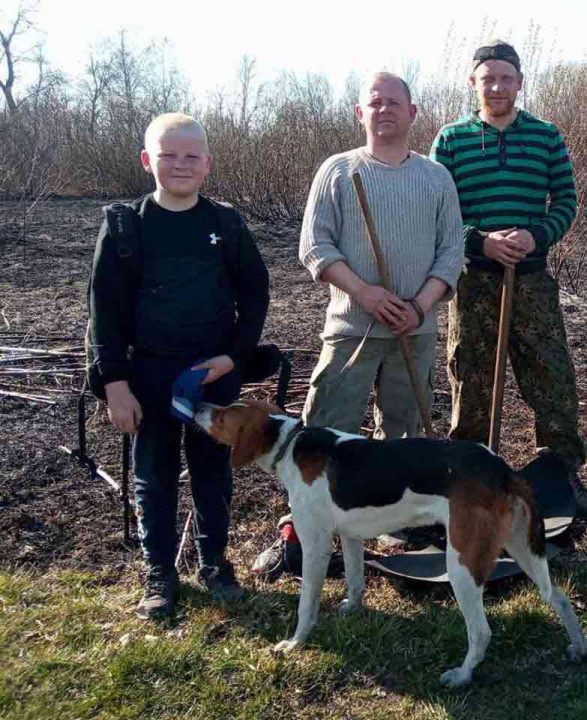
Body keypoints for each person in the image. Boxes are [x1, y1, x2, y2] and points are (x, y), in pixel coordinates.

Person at [253, 72, 463, 575]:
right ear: (360, 113)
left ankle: (398, 522)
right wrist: (367, 293)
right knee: (324, 431)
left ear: (413, 113)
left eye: (395, 102)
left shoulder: (435, 177)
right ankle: (301, 532)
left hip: (415, 330)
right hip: (352, 328)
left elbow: (452, 250)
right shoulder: (339, 171)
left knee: (405, 434)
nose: (385, 109)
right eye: (375, 102)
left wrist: (420, 305)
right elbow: (315, 247)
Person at [88, 113, 270, 619]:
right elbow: (103, 309)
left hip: (213, 374)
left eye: (192, 156)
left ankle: (214, 564)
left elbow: (255, 293)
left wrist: (233, 356)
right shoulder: (126, 226)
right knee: (154, 474)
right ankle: (159, 574)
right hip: (147, 377)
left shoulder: (226, 224)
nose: (181, 165)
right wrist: (116, 385)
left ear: (207, 165)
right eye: (169, 155)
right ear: (148, 161)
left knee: (214, 471)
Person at [430, 40, 586, 514]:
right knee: (471, 381)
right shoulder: (451, 139)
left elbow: (565, 202)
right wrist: (480, 241)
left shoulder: (546, 136)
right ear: (473, 83)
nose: (497, 87)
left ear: (519, 82)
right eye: (488, 78)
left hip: (532, 280)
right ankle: (471, 481)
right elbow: (438, 211)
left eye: (506, 78)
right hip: (475, 282)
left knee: (551, 376)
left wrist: (536, 236)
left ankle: (562, 477)